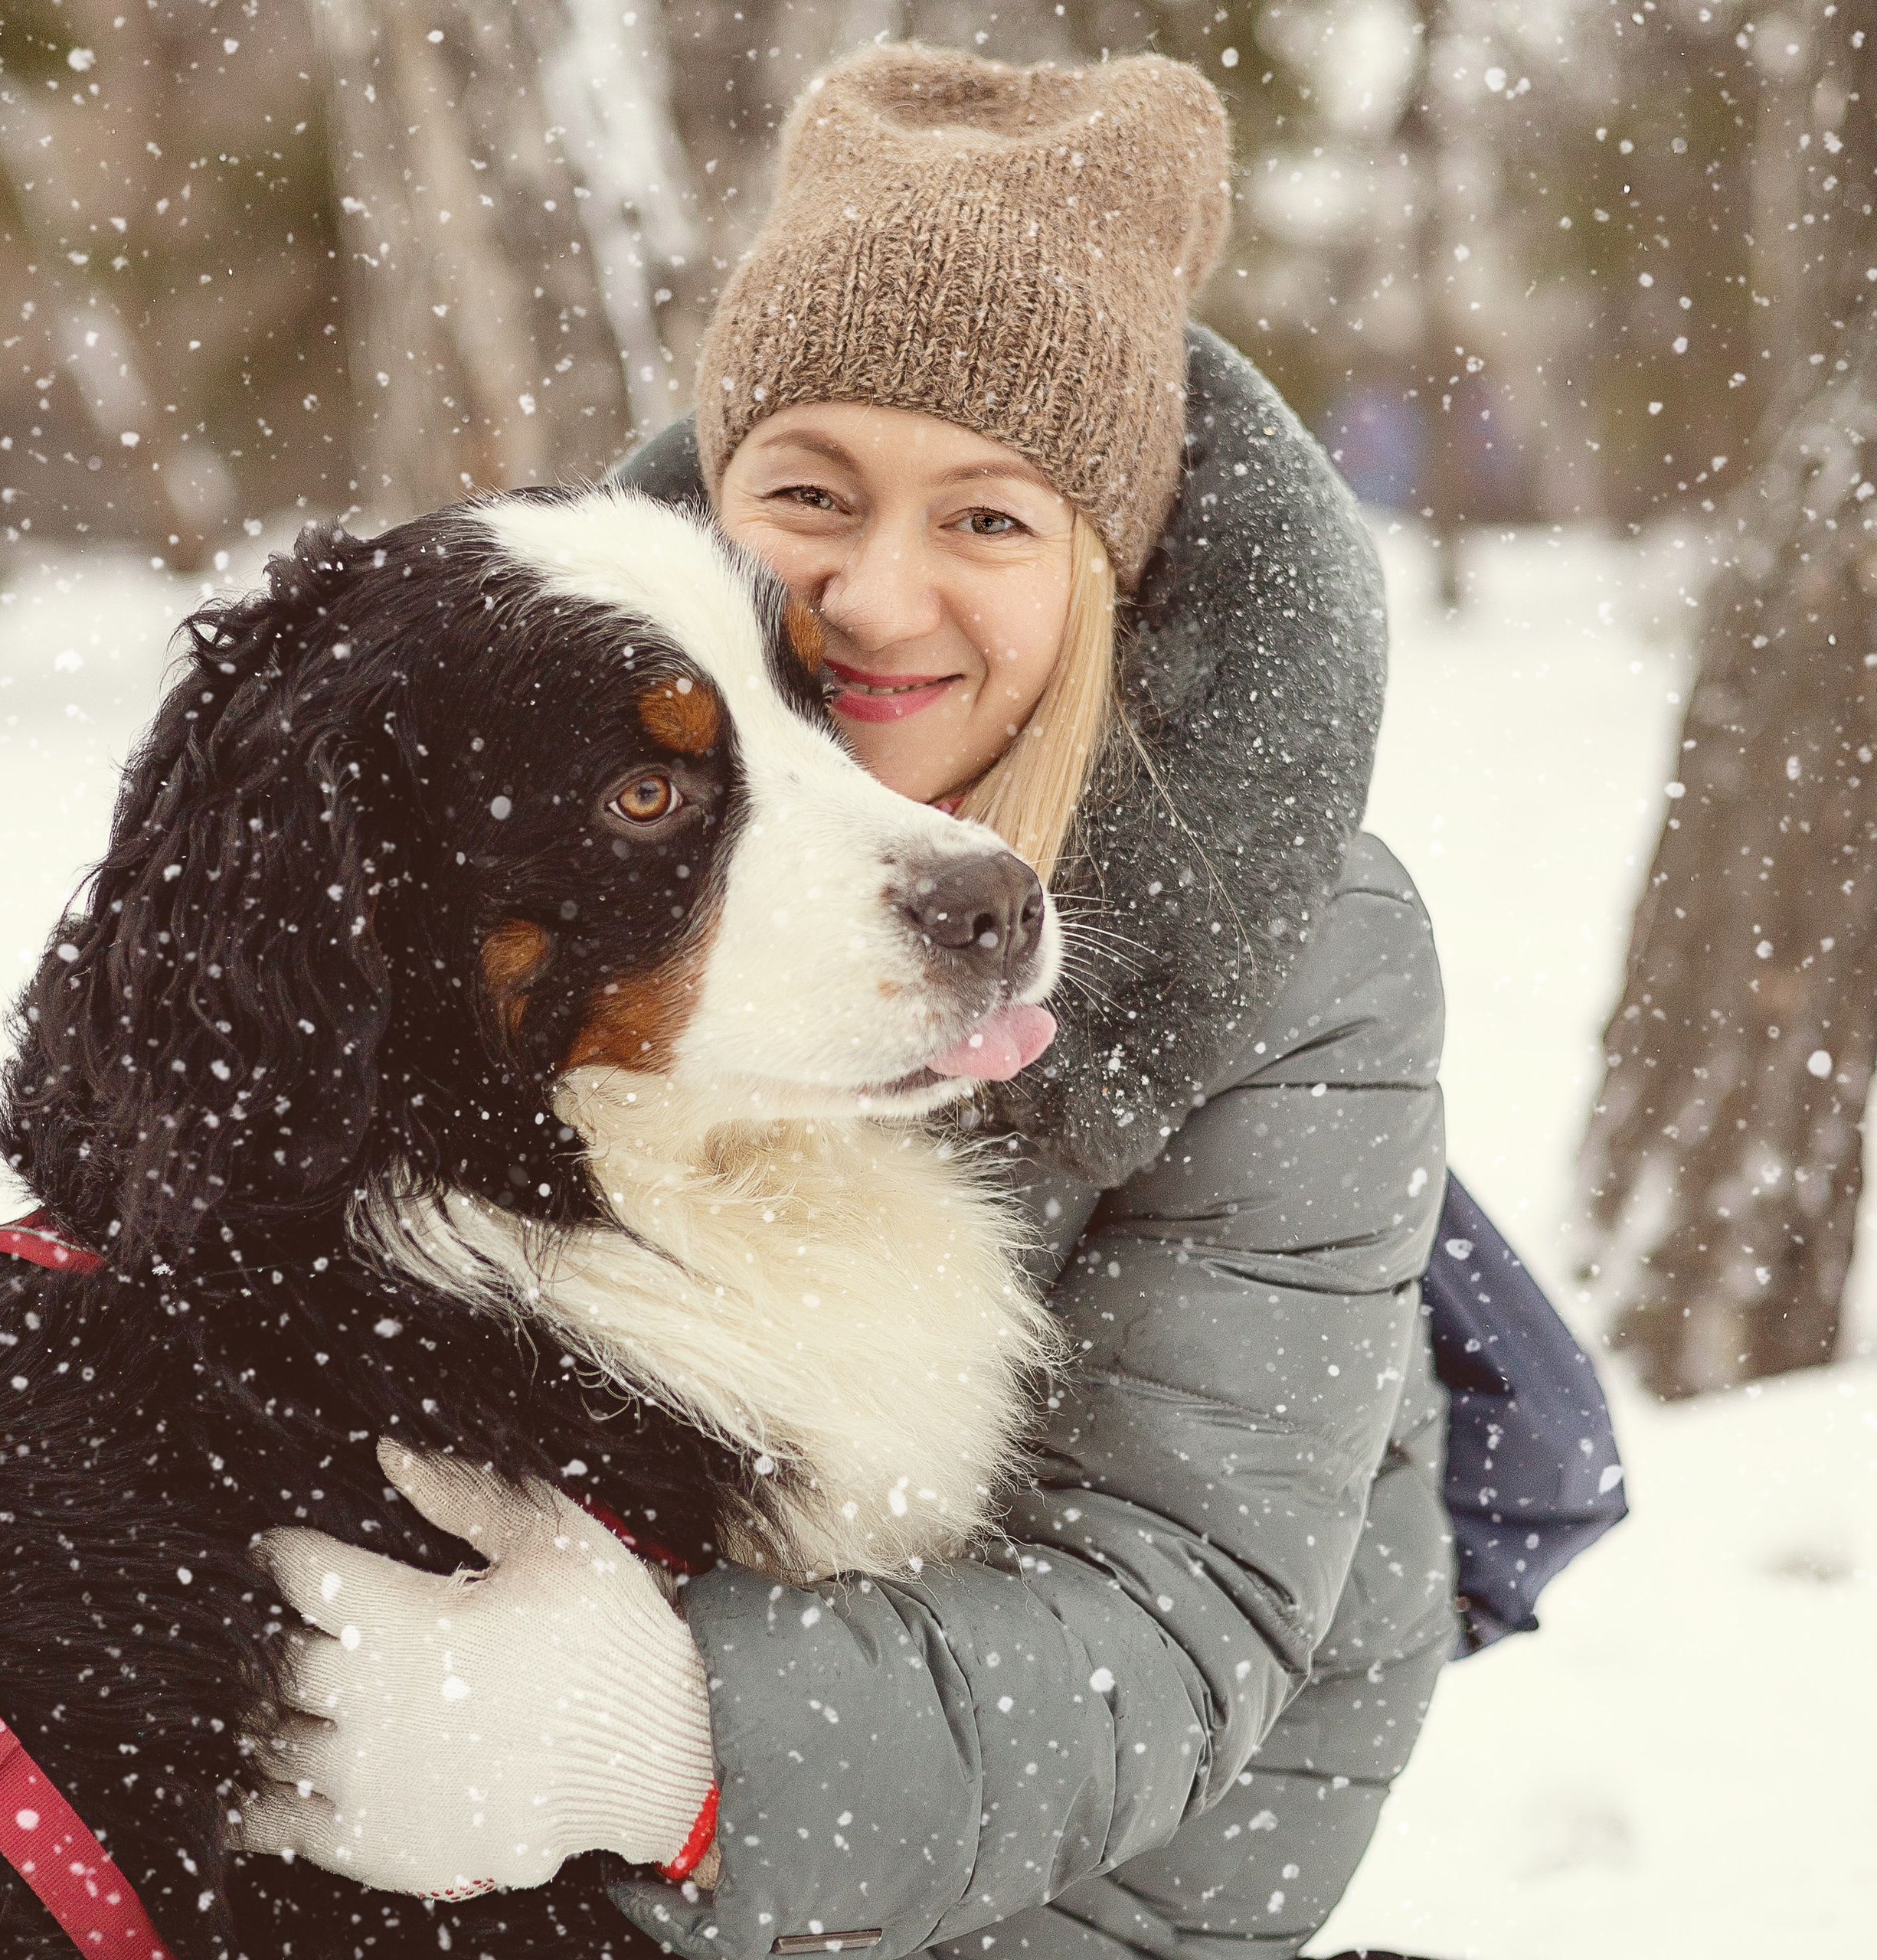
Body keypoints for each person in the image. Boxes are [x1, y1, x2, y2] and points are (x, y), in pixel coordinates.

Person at [247, 44, 1456, 1960]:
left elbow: (1181, 1605)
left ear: (1103, 561)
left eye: (986, 518)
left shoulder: (1304, 948)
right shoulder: (539, 787)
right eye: (810, 491)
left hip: (1096, 1872)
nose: (875, 599)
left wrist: (661, 1734)